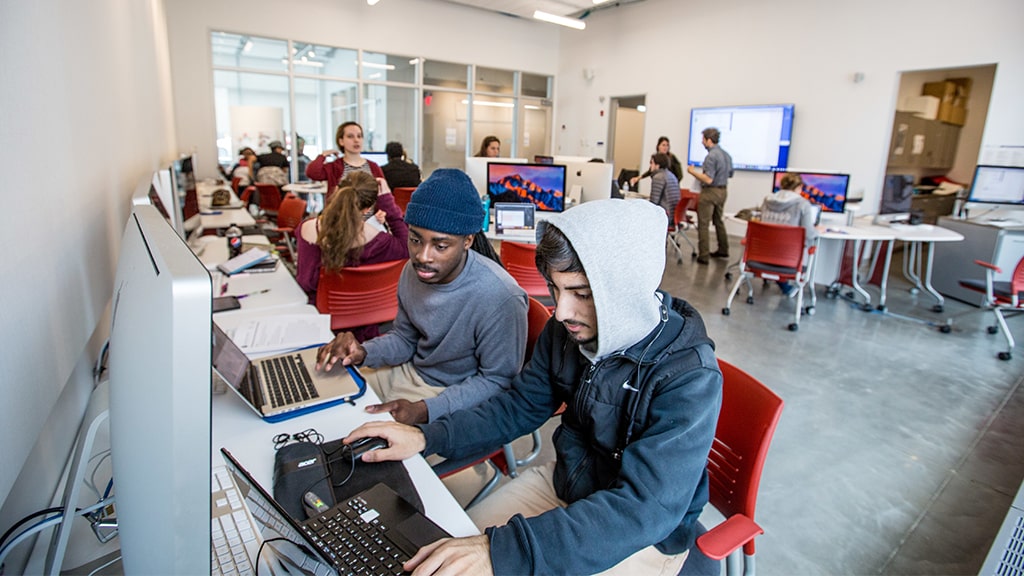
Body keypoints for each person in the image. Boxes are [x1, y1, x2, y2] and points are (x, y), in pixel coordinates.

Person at [342, 198, 723, 576]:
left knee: (486, 558)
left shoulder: (689, 376)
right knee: (444, 553)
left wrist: (503, 551)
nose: (563, 312)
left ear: (625, 289)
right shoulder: (568, 331)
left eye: (582, 294)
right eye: (556, 290)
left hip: (637, 531)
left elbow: (643, 509)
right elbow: (518, 406)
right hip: (568, 485)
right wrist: (426, 436)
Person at [316, 169, 528, 425]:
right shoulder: (413, 270)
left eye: (440, 246)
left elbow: (497, 380)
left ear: (467, 241)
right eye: (415, 239)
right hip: (407, 371)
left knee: (356, 443)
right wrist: (362, 352)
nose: (422, 256)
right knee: (323, 401)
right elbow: (406, 338)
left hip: (449, 395)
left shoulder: (501, 296)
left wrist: (427, 410)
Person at [295, 172, 409, 337]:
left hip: (317, 325)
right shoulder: (378, 241)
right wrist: (387, 201)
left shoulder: (307, 229)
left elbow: (305, 282)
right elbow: (407, 247)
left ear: (336, 192)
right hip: (364, 326)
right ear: (367, 209)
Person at [758, 172, 820, 297]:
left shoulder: (767, 200)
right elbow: (809, 233)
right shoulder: (802, 204)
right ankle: (786, 286)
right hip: (787, 256)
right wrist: (818, 230)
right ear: (798, 188)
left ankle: (783, 284)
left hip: (761, 253)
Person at [306, 121, 385, 204]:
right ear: (341, 141)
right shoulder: (335, 167)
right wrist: (323, 155)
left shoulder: (373, 166)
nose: (356, 140)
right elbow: (312, 173)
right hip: (341, 215)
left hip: (370, 216)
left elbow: (383, 193)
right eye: (350, 136)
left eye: (359, 136)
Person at [687, 127, 734, 264]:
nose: (702, 143)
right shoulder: (726, 155)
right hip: (723, 191)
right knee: (718, 221)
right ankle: (723, 249)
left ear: (708, 140)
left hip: (710, 192)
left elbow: (708, 179)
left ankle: (704, 255)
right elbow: (730, 174)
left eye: (703, 140)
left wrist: (692, 172)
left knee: (703, 223)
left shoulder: (711, 156)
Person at [648, 152, 680, 219]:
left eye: (652, 163)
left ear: (657, 165)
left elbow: (653, 203)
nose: (650, 165)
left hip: (664, 215)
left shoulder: (658, 177)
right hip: (673, 214)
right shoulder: (671, 175)